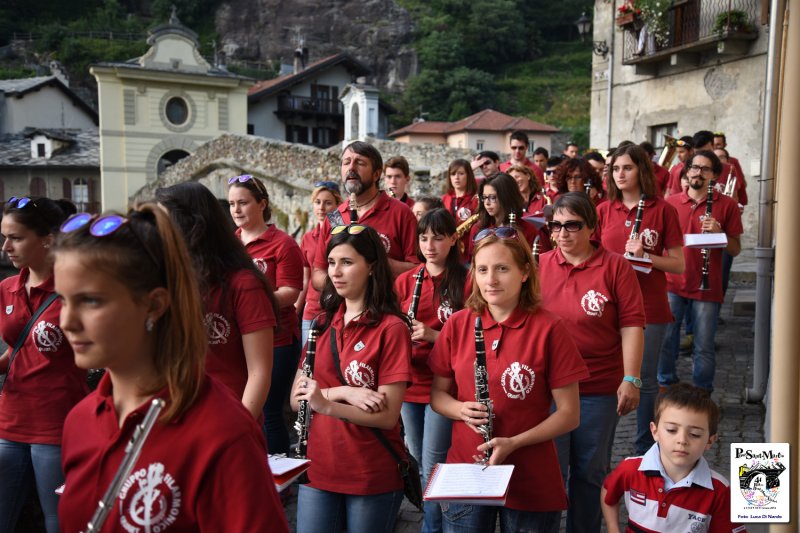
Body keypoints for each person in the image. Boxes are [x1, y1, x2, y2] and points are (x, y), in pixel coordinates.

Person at [54, 206, 288, 532]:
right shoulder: (80, 420)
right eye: (63, 300)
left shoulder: (222, 434)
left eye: (91, 301)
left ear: (154, 304)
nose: (67, 322)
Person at [429, 226, 589, 533]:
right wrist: (460, 410)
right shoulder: (458, 324)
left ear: (525, 272)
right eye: (483, 269)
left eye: (502, 268)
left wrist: (514, 442)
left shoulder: (550, 328)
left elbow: (570, 415)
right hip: (468, 470)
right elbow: (438, 395)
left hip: (530, 471)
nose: (491, 280)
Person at [291, 224, 412, 533]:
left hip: (370, 470)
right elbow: (296, 398)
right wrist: (342, 392)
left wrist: (325, 403)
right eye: (331, 262)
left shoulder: (391, 328)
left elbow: (387, 416)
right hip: (317, 466)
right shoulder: (321, 323)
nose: (335, 272)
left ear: (371, 266)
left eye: (347, 262)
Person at [538, 192, 646, 533]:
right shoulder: (538, 265)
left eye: (573, 225)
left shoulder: (615, 266)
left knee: (588, 472)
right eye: (556, 225)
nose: (563, 233)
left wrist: (632, 378)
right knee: (549, 472)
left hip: (597, 387)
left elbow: (631, 324)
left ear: (592, 227)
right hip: (548, 389)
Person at [155, 182, 279, 428]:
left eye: (164, 223)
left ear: (190, 227)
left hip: (227, 422)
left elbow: (259, 372)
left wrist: (238, 427)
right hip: (176, 420)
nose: (157, 232)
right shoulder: (169, 280)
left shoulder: (244, 284)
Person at [0, 196, 86, 533]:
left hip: (55, 423)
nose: (6, 246)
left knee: (58, 520)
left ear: (47, 239)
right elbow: (16, 352)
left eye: (16, 237)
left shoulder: (74, 290)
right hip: (10, 421)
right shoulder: (7, 288)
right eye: (4, 237)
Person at [596, 144, 685, 455]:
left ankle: (644, 448)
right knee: (610, 376)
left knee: (645, 380)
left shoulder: (663, 210)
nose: (620, 174)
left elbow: (678, 263)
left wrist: (647, 255)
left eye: (627, 168)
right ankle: (603, 441)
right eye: (615, 169)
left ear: (641, 171)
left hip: (649, 307)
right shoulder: (603, 210)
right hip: (608, 307)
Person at [394, 208, 468, 533]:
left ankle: (433, 527)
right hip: (410, 381)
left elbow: (471, 336)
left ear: (453, 239)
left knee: (433, 463)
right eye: (424, 238)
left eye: (438, 237)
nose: (430, 245)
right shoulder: (405, 281)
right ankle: (434, 522)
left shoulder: (465, 279)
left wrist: (433, 335)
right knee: (418, 459)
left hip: (444, 384)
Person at [226, 176, 306, 454]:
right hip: (238, 339)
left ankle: (279, 484)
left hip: (278, 339)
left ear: (262, 204)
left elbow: (292, 291)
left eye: (243, 203)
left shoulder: (282, 244)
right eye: (232, 204)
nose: (236, 210)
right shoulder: (229, 244)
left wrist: (250, 303)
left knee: (269, 411)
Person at [602, 383, 746, 533]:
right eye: (672, 430)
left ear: (710, 440)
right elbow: (608, 492)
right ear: (655, 431)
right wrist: (613, 528)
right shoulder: (630, 469)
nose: (682, 440)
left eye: (695, 434)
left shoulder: (720, 491)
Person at [659, 151, 743, 393]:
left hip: (707, 286)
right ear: (686, 171)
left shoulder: (726, 205)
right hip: (672, 282)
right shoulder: (671, 203)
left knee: (704, 345)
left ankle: (701, 392)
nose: (698, 172)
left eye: (705, 169)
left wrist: (719, 233)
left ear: (715, 175)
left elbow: (736, 250)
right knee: (666, 340)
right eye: (694, 168)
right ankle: (666, 383)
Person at [311, 141, 418, 290]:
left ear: (376, 174)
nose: (351, 168)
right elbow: (317, 274)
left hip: (386, 308)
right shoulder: (334, 217)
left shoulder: (401, 213)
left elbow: (418, 270)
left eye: (360, 163)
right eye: (346, 163)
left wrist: (377, 261)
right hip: (344, 311)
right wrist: (341, 282)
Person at [466, 173, 550, 261]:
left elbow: (539, 265)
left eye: (492, 197)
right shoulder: (477, 228)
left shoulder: (528, 229)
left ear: (507, 197)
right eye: (484, 197)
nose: (487, 203)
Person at [299, 181, 342, 345]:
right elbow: (305, 278)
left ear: (338, 205)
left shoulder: (343, 234)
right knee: (307, 364)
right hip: (312, 309)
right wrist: (296, 309)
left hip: (337, 308)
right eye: (317, 202)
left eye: (328, 203)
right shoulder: (308, 237)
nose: (321, 208)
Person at [441, 158, 479, 224]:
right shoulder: (444, 198)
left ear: (469, 175)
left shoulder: (476, 199)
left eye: (461, 174)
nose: (456, 177)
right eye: (453, 174)